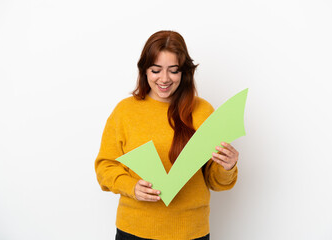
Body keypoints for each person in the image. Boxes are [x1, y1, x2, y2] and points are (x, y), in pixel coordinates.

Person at [95, 30, 239, 240]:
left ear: (184, 72)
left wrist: (228, 166)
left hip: (191, 232)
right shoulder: (125, 111)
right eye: (156, 70)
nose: (164, 79)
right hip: (134, 231)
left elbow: (216, 182)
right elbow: (104, 166)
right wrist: (131, 187)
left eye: (173, 70)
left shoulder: (203, 111)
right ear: (144, 70)